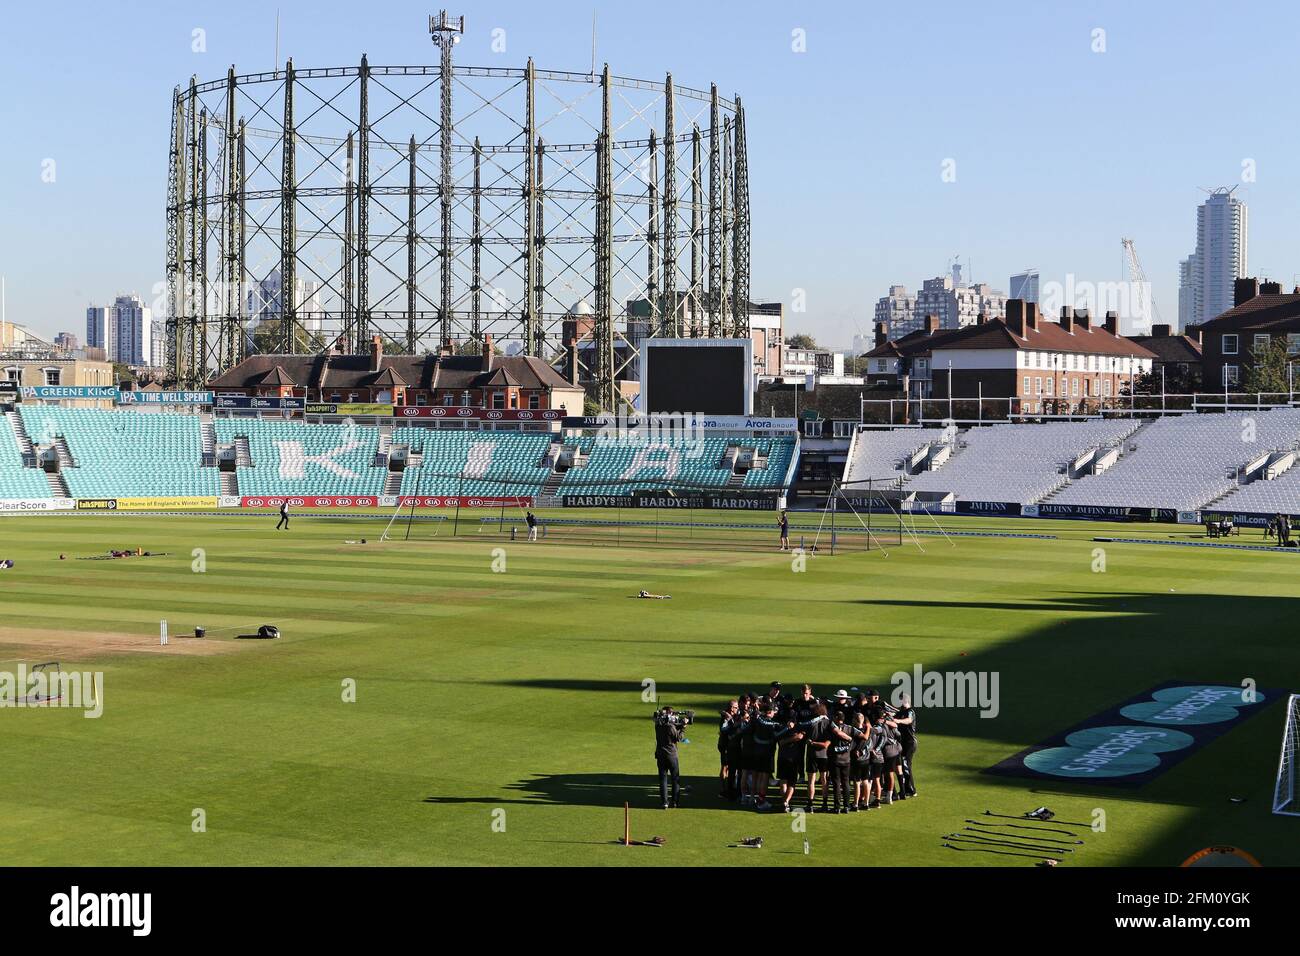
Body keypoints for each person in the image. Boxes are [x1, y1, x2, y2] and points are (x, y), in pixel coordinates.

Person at [825, 710, 865, 814]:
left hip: (834, 760)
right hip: (846, 760)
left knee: (836, 784)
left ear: (835, 718)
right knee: (846, 783)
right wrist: (856, 748)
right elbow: (863, 737)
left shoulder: (832, 728)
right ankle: (846, 807)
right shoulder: (850, 728)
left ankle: (837, 807)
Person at [653, 706, 686, 809]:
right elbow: (678, 738)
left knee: (663, 779)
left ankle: (664, 803)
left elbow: (672, 732)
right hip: (671, 756)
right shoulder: (670, 727)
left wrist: (679, 726)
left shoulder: (658, 725)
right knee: (675, 780)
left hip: (660, 755)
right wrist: (683, 728)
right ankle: (675, 802)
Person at [893, 692, 918, 798]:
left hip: (910, 742)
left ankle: (911, 790)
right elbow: (893, 716)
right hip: (903, 742)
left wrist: (897, 720)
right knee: (904, 765)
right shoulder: (901, 712)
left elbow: (908, 720)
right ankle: (907, 789)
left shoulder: (910, 711)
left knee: (906, 764)